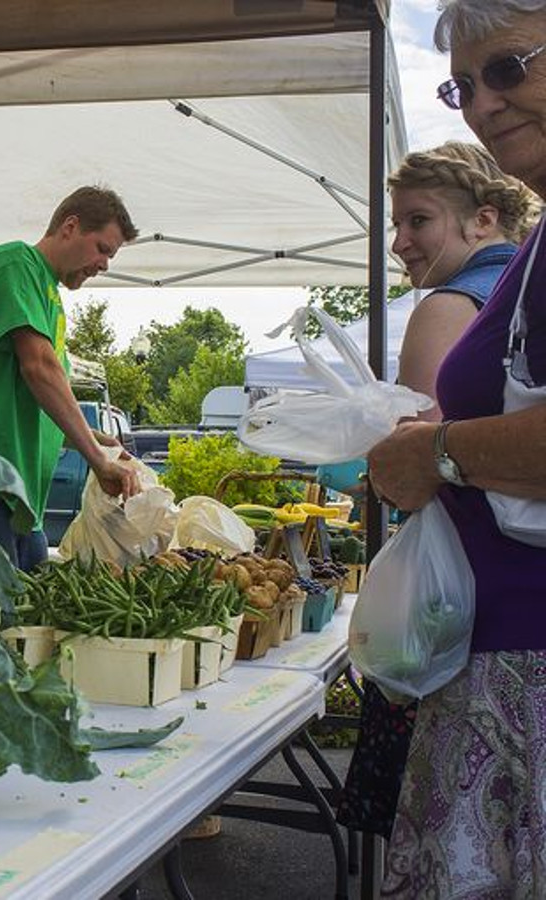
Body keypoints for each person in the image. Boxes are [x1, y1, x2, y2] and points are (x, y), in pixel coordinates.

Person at [366, 2, 546, 895]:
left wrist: (435, 454)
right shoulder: (531, 249)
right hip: (501, 657)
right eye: (463, 85)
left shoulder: (454, 298)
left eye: (509, 68)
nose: (482, 102)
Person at [335, 141, 536, 842]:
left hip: (474, 612)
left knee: (460, 833)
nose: (400, 244)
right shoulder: (521, 282)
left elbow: (420, 472)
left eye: (418, 221)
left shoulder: (451, 305)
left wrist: (388, 453)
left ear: (484, 219)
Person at [0, 186, 142, 570]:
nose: (105, 264)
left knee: (27, 624)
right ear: (70, 227)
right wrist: (97, 460)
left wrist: (95, 440)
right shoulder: (16, 262)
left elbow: (33, 398)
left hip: (23, 503)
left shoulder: (50, 297)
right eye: (103, 248)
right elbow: (39, 368)